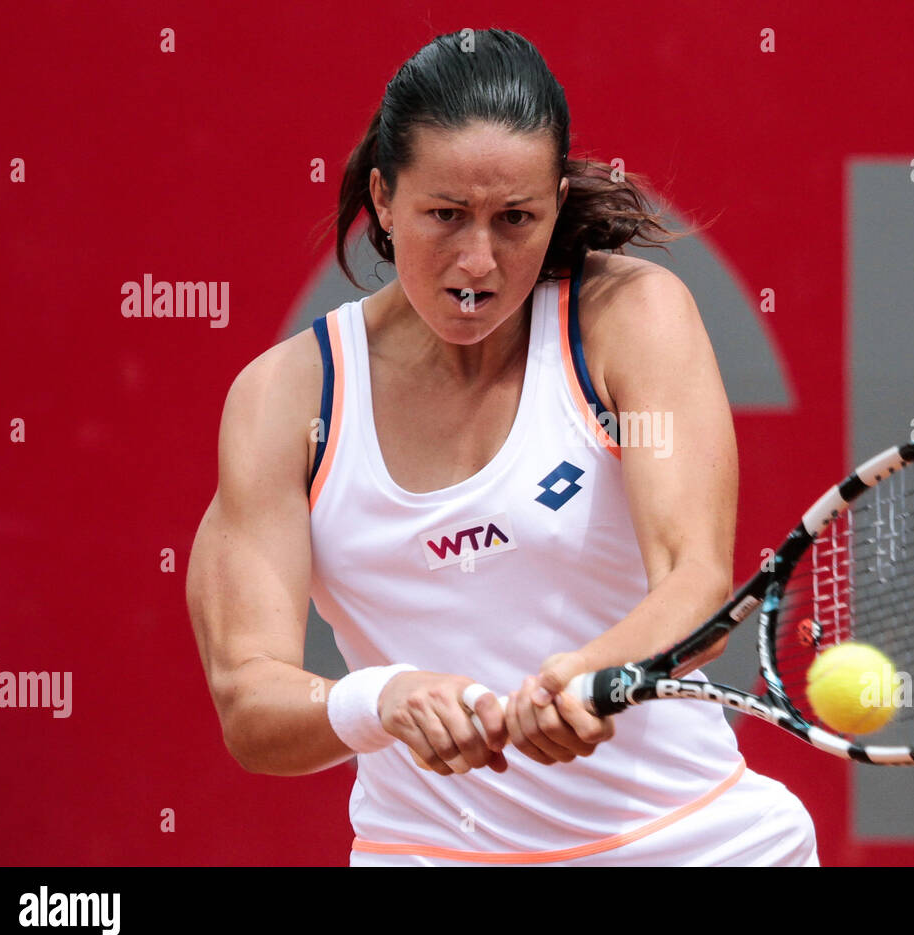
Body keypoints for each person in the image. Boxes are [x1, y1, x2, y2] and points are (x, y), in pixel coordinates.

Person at [186, 28, 817, 866]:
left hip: (696, 846)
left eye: (515, 218)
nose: (478, 260)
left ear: (555, 203)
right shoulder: (284, 399)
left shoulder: (629, 317)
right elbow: (251, 702)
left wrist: (588, 677)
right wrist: (385, 700)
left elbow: (696, 587)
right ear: (382, 197)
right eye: (444, 215)